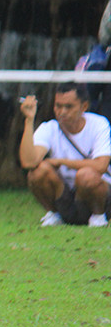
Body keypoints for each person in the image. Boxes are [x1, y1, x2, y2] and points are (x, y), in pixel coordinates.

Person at [19, 82, 111, 227]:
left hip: (97, 192)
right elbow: (29, 162)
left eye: (68, 107)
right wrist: (29, 120)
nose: (62, 112)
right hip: (67, 194)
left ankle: (98, 216)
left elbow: (101, 165)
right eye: (58, 106)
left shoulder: (99, 124)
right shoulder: (49, 128)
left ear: (84, 107)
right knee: (37, 172)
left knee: (85, 175)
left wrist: (61, 162)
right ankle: (55, 214)